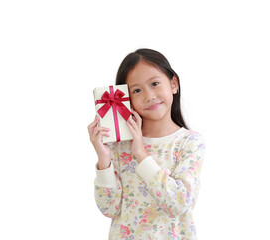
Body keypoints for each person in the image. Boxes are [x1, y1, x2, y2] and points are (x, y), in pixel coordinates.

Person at [87, 48, 205, 239]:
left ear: (173, 84)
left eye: (155, 83)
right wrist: (104, 159)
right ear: (126, 98)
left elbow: (179, 203)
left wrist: (141, 154)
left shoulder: (189, 142)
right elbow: (109, 208)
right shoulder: (120, 145)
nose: (149, 96)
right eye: (137, 90)